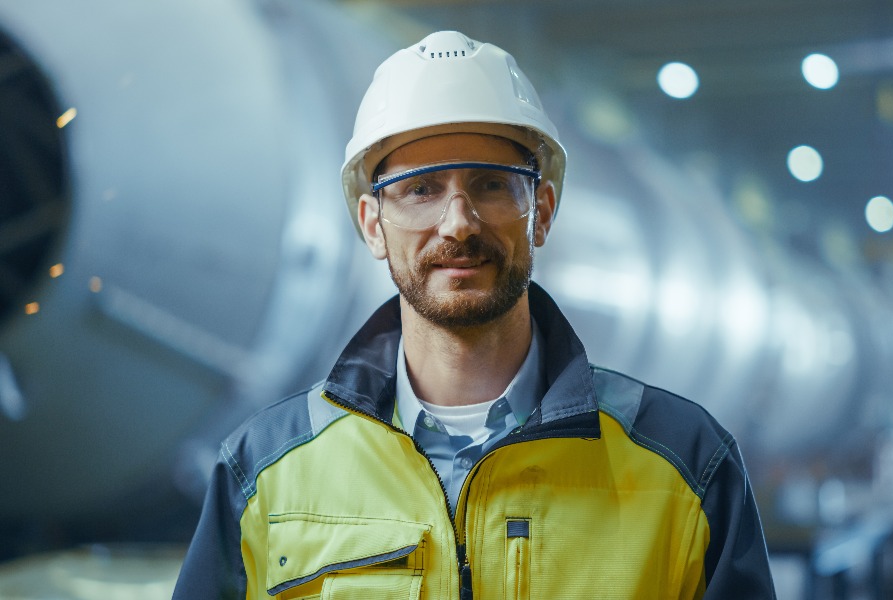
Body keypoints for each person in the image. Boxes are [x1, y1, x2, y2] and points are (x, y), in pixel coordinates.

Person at [174, 30, 776, 599]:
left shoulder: (685, 464)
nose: (458, 224)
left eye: (491, 185)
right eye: (420, 189)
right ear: (371, 224)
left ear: (541, 209)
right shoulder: (263, 472)